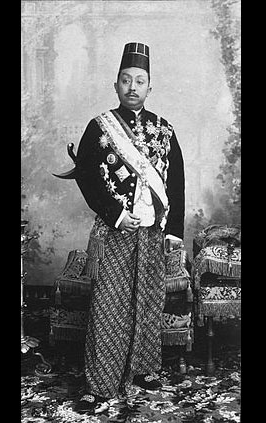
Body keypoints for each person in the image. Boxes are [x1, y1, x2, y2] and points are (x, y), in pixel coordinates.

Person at [71, 42, 185, 412]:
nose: (132, 87)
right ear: (116, 85)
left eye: (139, 81)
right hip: (114, 231)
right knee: (108, 306)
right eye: (125, 80)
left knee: (148, 302)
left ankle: (143, 370)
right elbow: (87, 177)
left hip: (152, 234)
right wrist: (116, 214)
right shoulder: (99, 127)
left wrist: (173, 231)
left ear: (150, 87)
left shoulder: (164, 130)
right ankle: (100, 384)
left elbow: (177, 183)